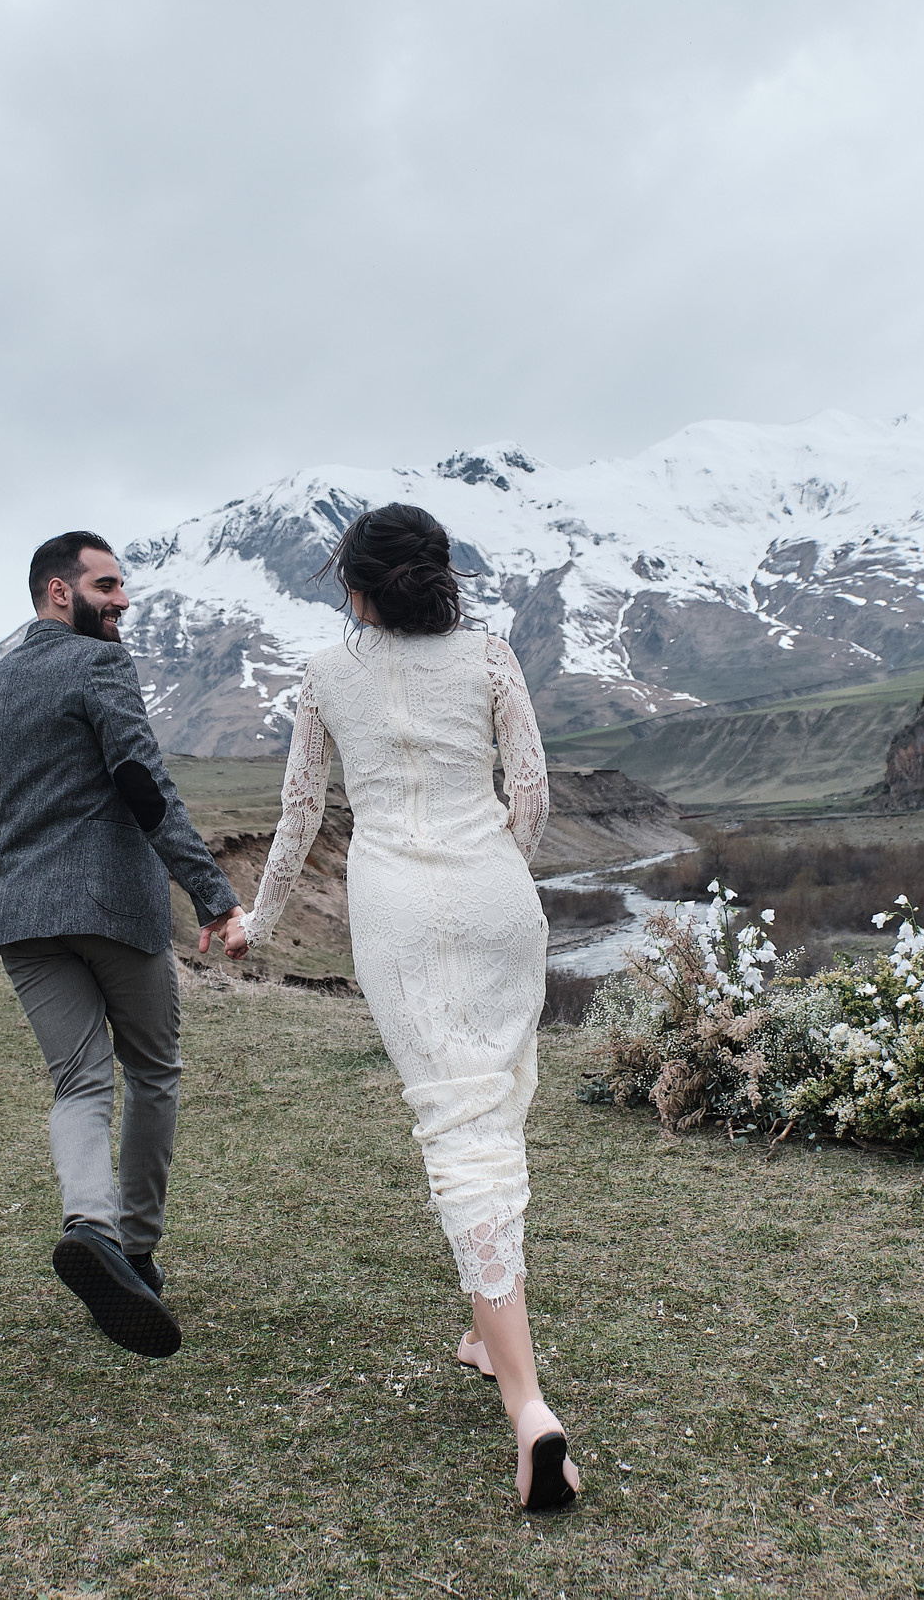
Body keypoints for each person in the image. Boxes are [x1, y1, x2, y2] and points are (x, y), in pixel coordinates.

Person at [241, 502, 581, 1513]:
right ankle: (485, 1332)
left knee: (456, 1127)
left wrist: (258, 923)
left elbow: (301, 813)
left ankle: (527, 1405)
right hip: (494, 895)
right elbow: (531, 789)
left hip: (395, 912)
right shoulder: (489, 657)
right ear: (437, 578)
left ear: (357, 588)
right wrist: (494, 871)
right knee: (495, 1105)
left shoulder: (324, 672)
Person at [0, 530, 249, 1359]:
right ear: (61, 591)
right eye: (107, 585)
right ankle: (133, 1252)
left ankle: (86, 1223)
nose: (123, 600)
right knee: (153, 1070)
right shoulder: (98, 665)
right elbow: (140, 780)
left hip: (20, 912)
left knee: (79, 1080)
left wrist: (28, 873)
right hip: (110, 904)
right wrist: (212, 893)